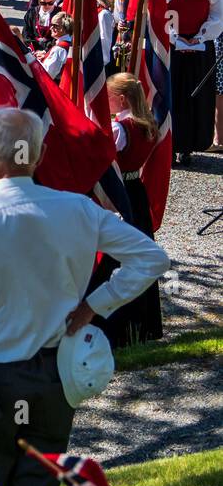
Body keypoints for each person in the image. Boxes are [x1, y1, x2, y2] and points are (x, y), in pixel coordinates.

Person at [0, 107, 169, 486]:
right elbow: (152, 258)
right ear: (41, 153)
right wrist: (94, 305)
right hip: (52, 381)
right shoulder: (79, 211)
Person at [88, 74, 163, 349]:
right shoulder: (148, 124)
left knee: (114, 259)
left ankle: (114, 326)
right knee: (138, 256)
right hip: (137, 193)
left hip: (120, 194)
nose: (104, 101)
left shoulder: (121, 129)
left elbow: (104, 159)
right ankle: (141, 324)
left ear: (121, 99)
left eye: (108, 96)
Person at [165, 0, 223, 165]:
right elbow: (218, 18)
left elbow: (157, 15)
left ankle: (172, 144)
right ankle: (188, 145)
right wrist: (198, 37)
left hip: (174, 49)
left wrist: (178, 39)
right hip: (199, 49)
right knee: (194, 98)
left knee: (173, 95)